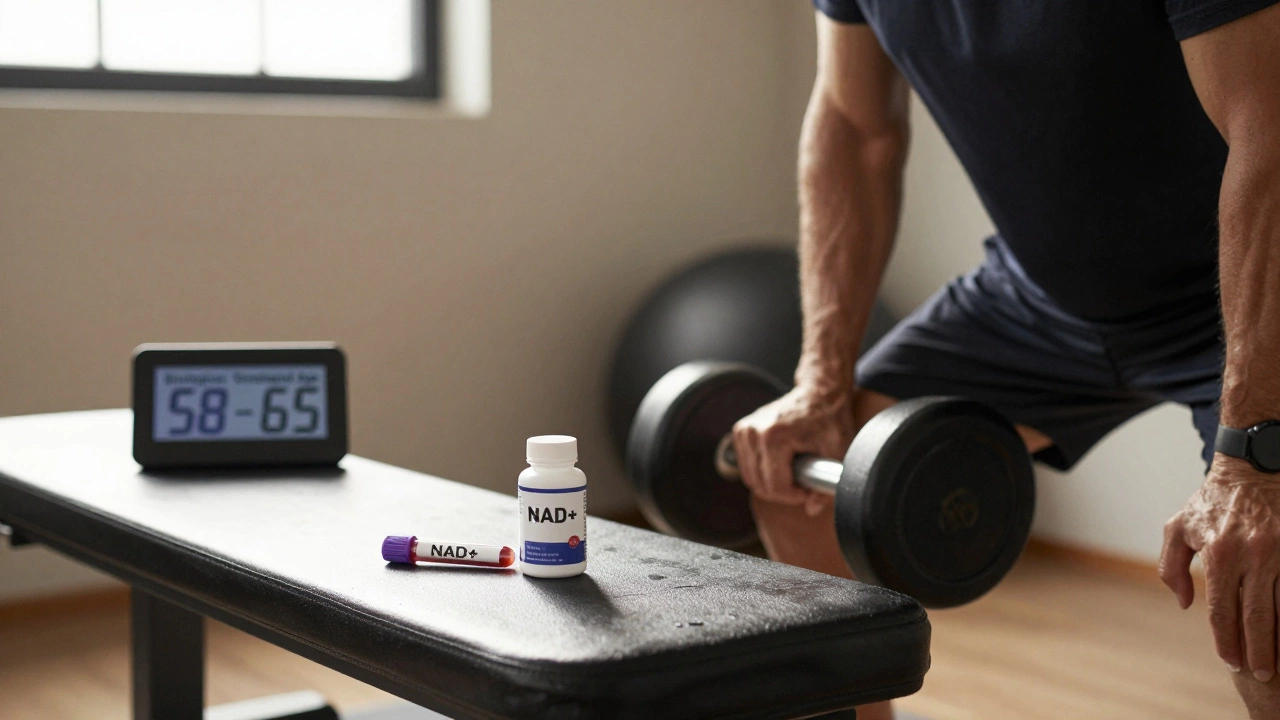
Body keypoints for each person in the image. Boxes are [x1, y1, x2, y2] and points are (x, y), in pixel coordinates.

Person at [730, 2, 1280, 718]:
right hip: (1040, 302)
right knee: (806, 485)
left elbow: (1268, 136)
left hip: (1244, 291)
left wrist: (1257, 457)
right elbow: (853, 123)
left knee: (1265, 598)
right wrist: (820, 384)